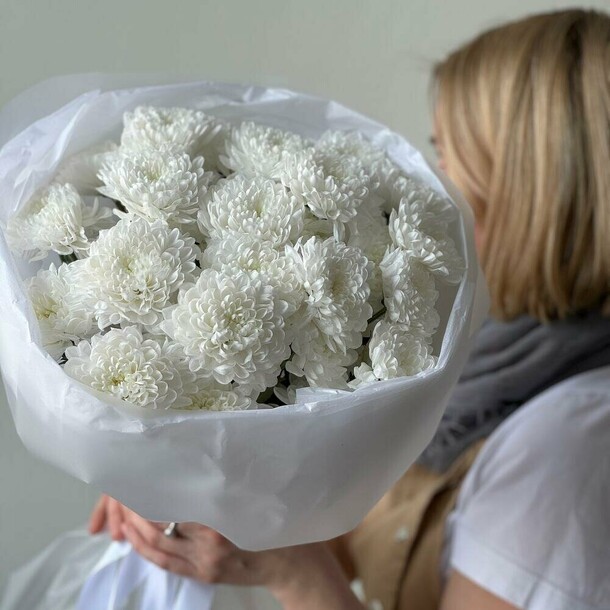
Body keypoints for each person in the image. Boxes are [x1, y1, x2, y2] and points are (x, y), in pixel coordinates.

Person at [89, 9, 610, 609]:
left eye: (452, 158)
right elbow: (342, 533)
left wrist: (293, 573)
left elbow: (309, 560)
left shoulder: (570, 444)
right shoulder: (488, 359)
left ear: (531, 188)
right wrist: (179, 484)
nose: (432, 184)